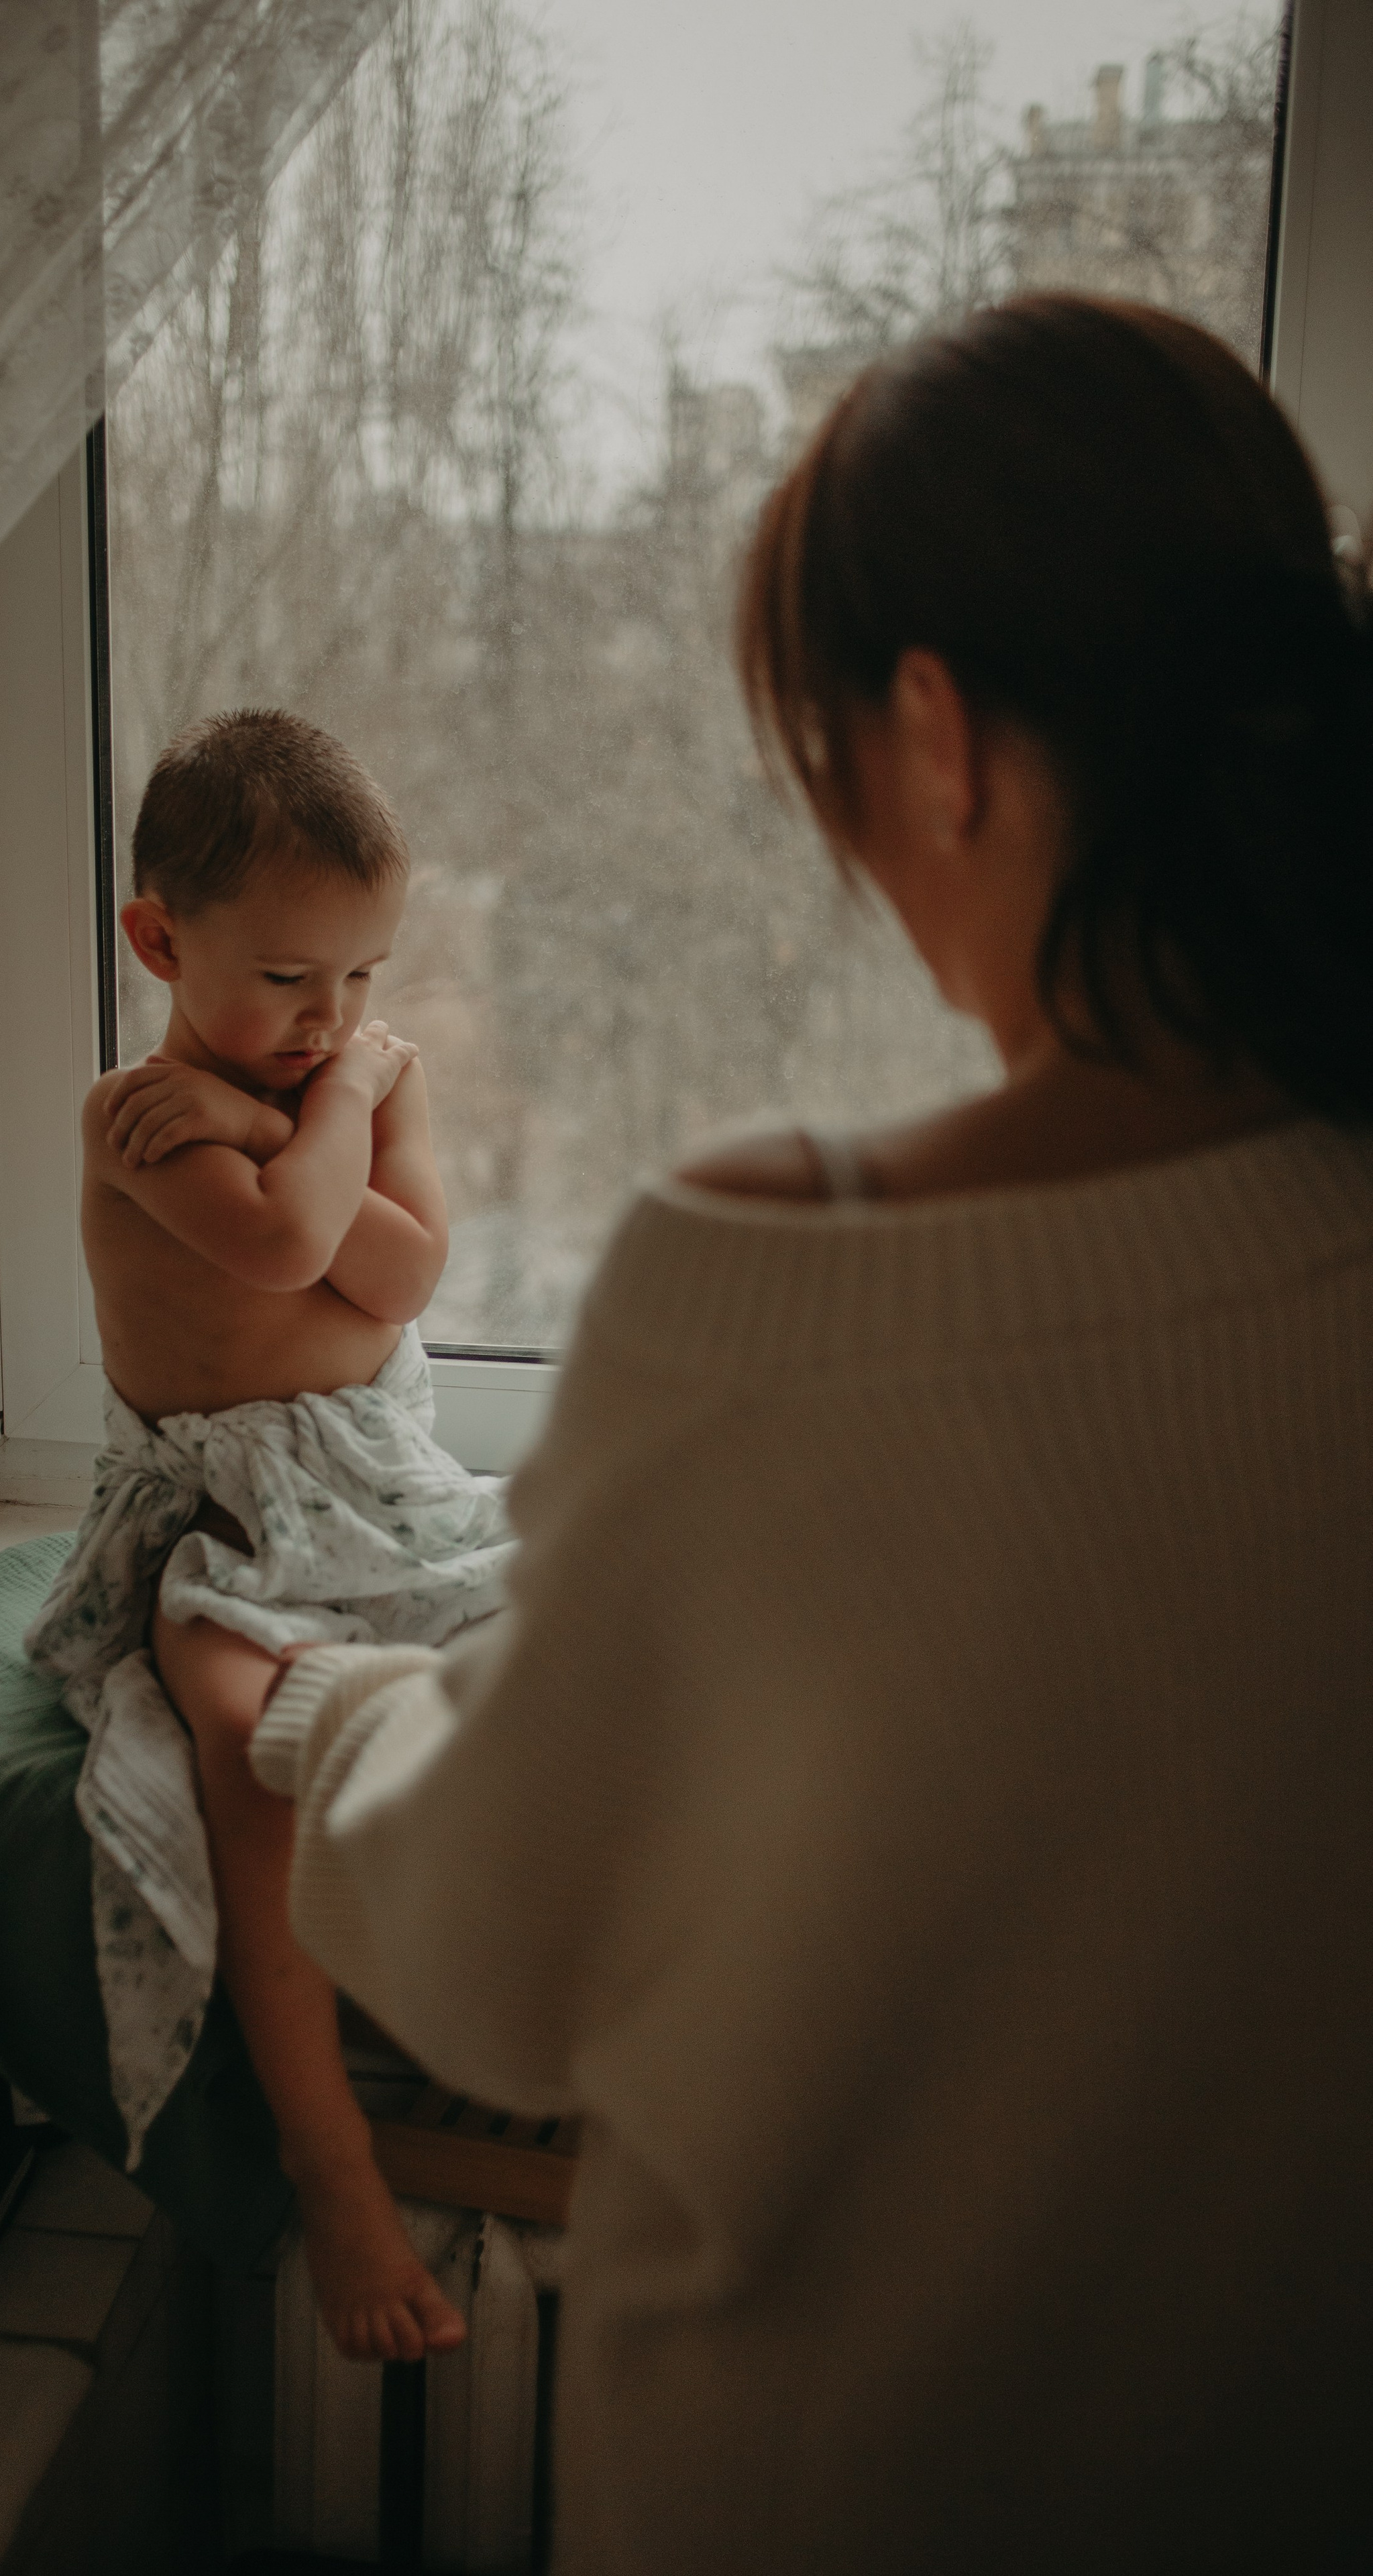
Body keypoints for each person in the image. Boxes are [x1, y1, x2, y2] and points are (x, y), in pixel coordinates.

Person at [188, 299, 1373, 2571]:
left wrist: (314, 1717)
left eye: (818, 760)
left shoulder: (782, 1281)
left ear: (933, 738)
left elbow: (506, 1951)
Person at [25, 710, 513, 2361]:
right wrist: (276, 1132)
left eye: (364, 980)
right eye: (293, 981)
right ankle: (331, 2163)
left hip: (376, 1481)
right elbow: (286, 1245)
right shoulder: (131, 1116)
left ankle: (525, 2040)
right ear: (159, 940)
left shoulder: (365, 1081)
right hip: (215, 1520)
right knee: (241, 1752)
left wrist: (286, 1119)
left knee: (550, 1664)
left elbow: (389, 1280)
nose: (334, 1024)